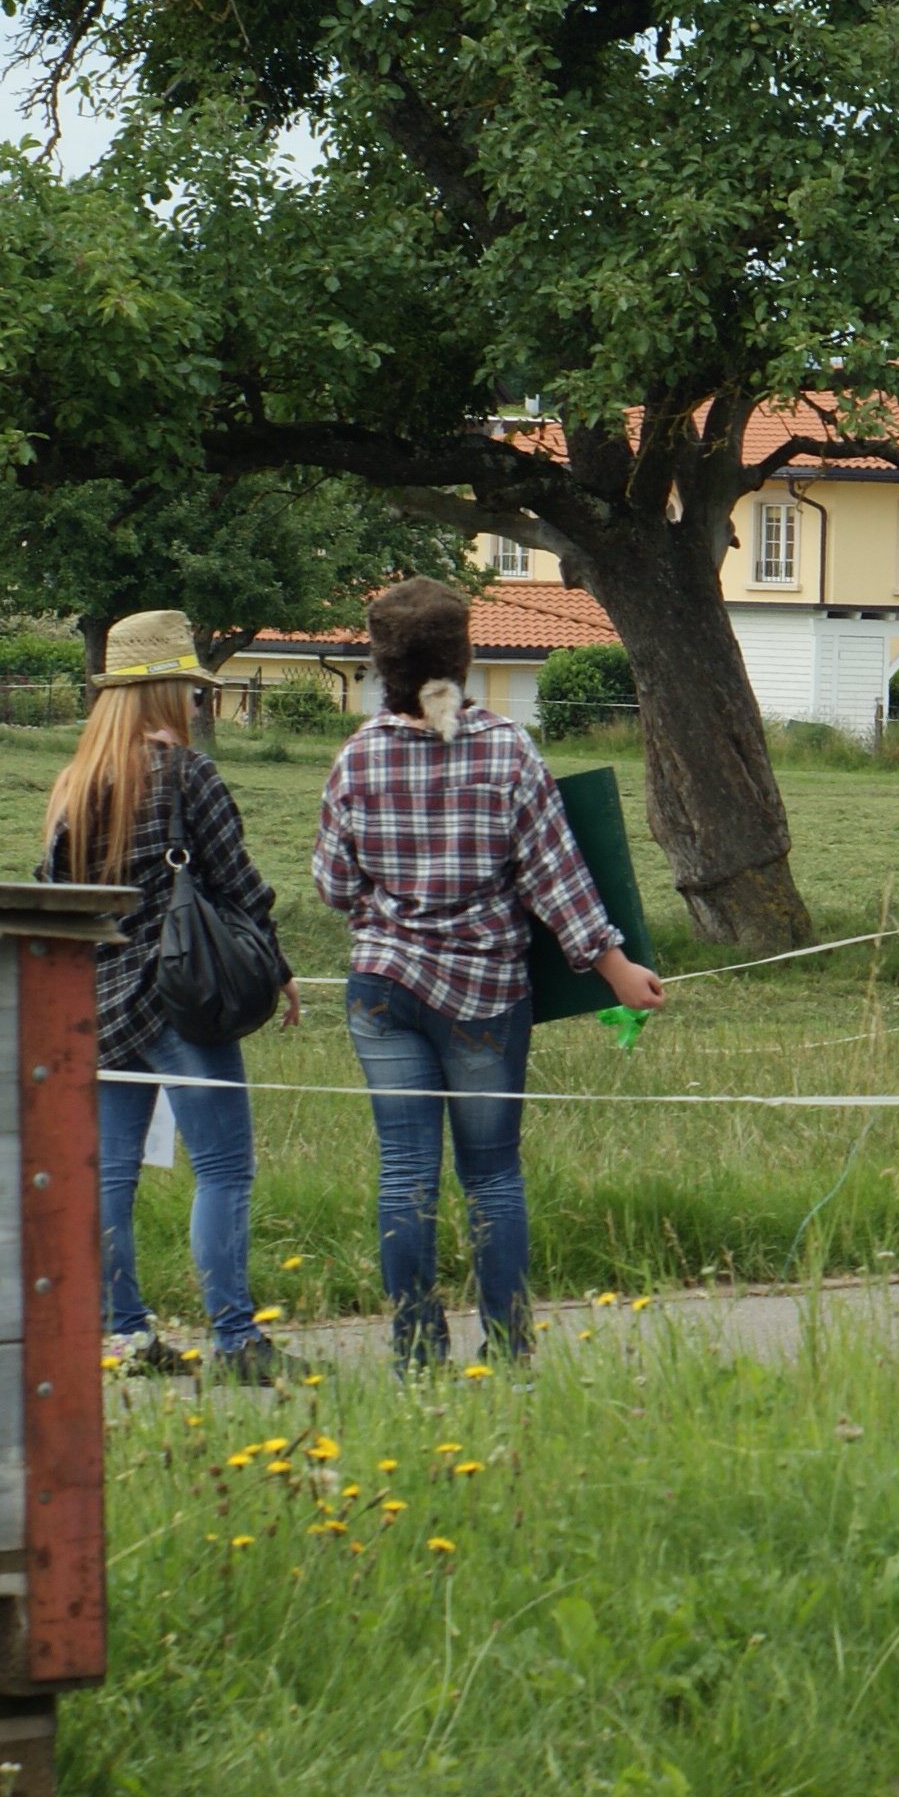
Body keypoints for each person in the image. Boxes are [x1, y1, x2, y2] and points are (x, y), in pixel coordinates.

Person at [314, 578, 661, 1370]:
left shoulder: (357, 757)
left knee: (405, 1175)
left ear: (382, 664)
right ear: (465, 657)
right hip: (484, 996)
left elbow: (333, 885)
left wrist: (390, 902)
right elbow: (556, 880)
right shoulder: (507, 749)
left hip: (383, 990)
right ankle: (508, 1353)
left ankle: (416, 1356)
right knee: (493, 1178)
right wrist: (615, 969)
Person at [42, 608, 283, 1379]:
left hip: (101, 1003)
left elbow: (53, 899)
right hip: (186, 998)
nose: (195, 701)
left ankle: (122, 1335)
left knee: (111, 1174)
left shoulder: (74, 785)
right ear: (169, 691)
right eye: (190, 688)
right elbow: (239, 884)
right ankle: (235, 1339)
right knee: (224, 1169)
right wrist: (275, 967)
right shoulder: (187, 774)